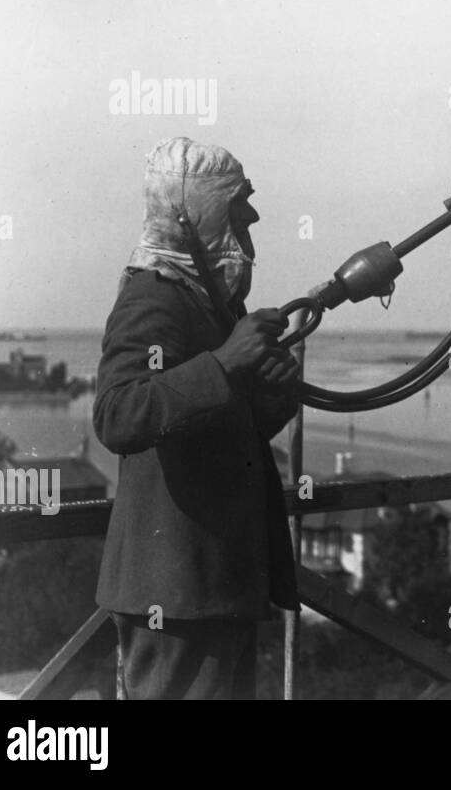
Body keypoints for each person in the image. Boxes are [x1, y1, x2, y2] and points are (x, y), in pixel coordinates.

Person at [93, 136, 300, 700]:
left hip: (212, 587)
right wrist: (224, 362)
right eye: (237, 210)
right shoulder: (153, 298)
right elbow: (116, 414)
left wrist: (270, 399)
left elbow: (210, 430)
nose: (250, 223)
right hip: (178, 594)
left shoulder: (204, 302)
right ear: (196, 218)